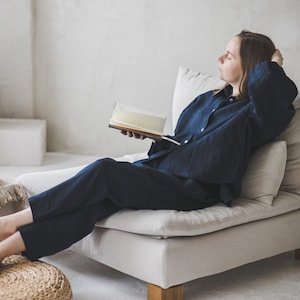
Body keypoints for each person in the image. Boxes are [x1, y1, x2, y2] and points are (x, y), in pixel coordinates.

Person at [0, 30, 298, 263]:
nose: (220, 58)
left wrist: (272, 63)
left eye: (230, 56)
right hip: (164, 172)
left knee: (105, 170)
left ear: (251, 66)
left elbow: (276, 96)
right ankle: (6, 248)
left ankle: (11, 222)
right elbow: (183, 144)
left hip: (195, 188)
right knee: (96, 203)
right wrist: (153, 138)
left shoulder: (255, 113)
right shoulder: (206, 100)